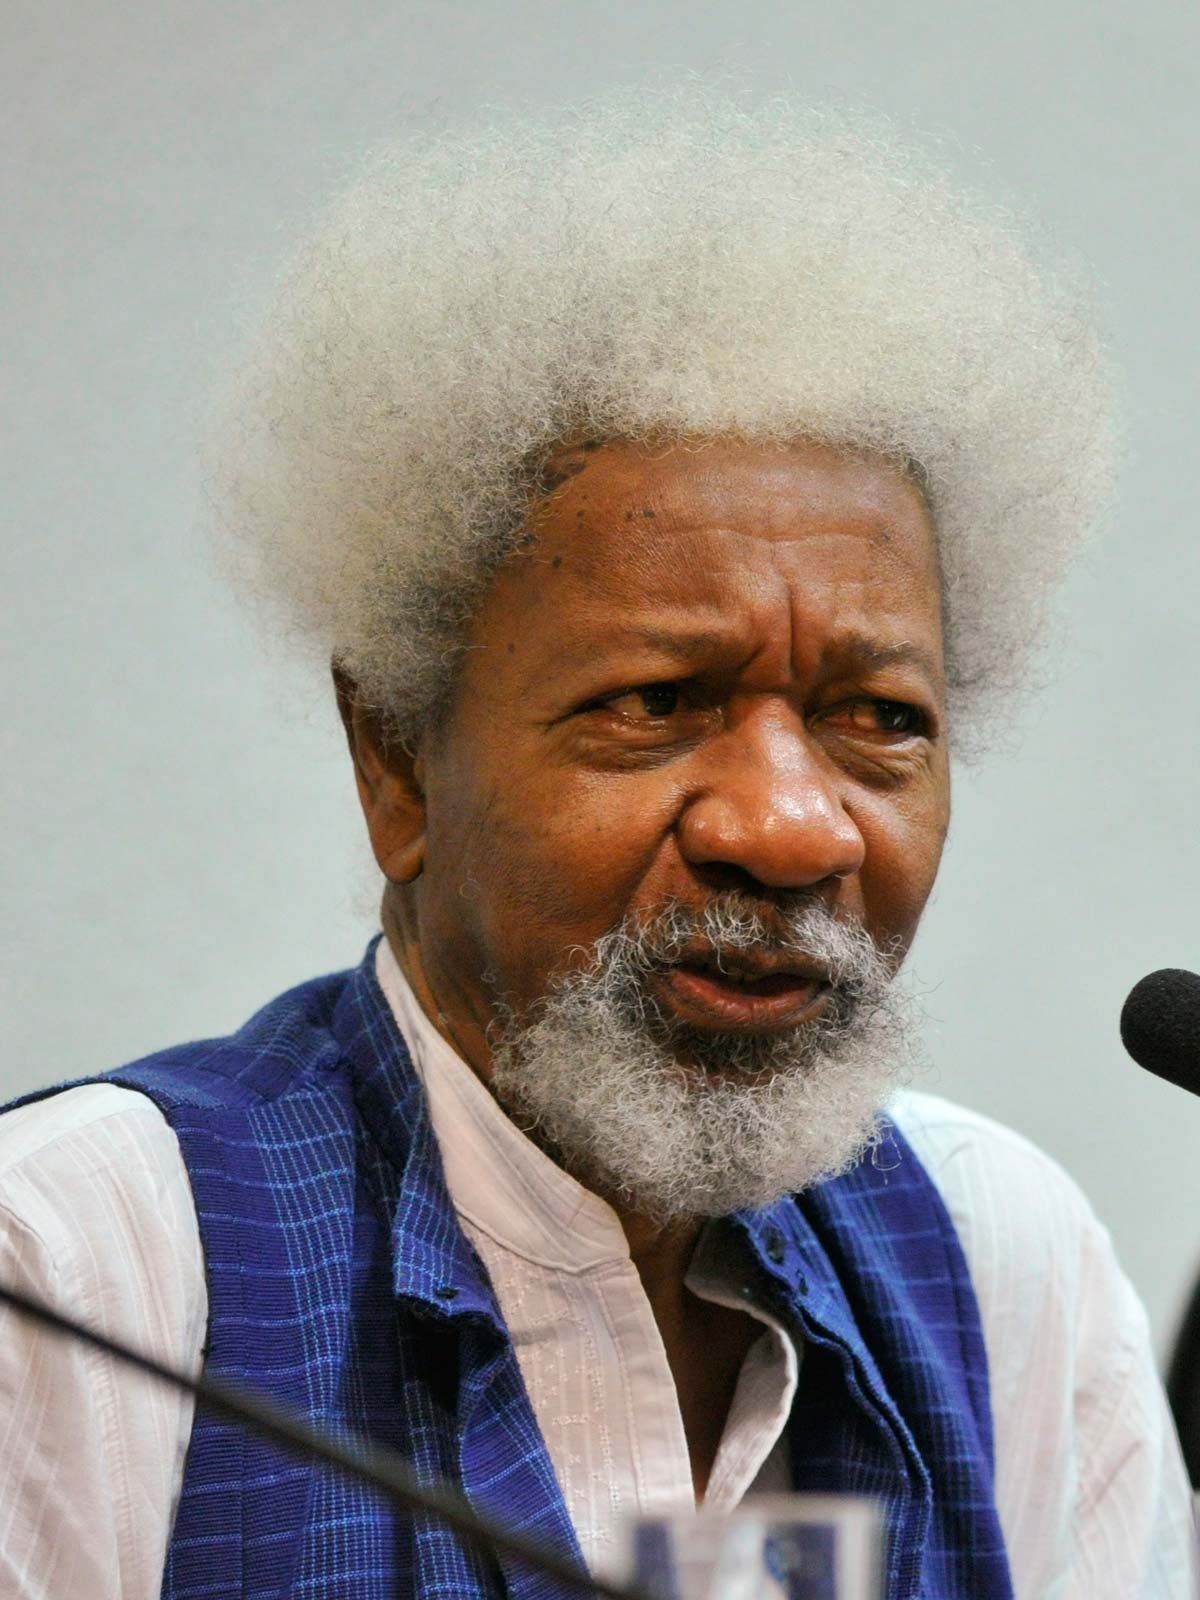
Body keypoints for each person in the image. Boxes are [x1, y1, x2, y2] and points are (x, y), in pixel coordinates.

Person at [0, 85, 1194, 1600]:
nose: (788, 827)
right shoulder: (78, 1273)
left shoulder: (1003, 1264)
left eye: (878, 718)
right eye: (657, 702)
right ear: (396, 757)